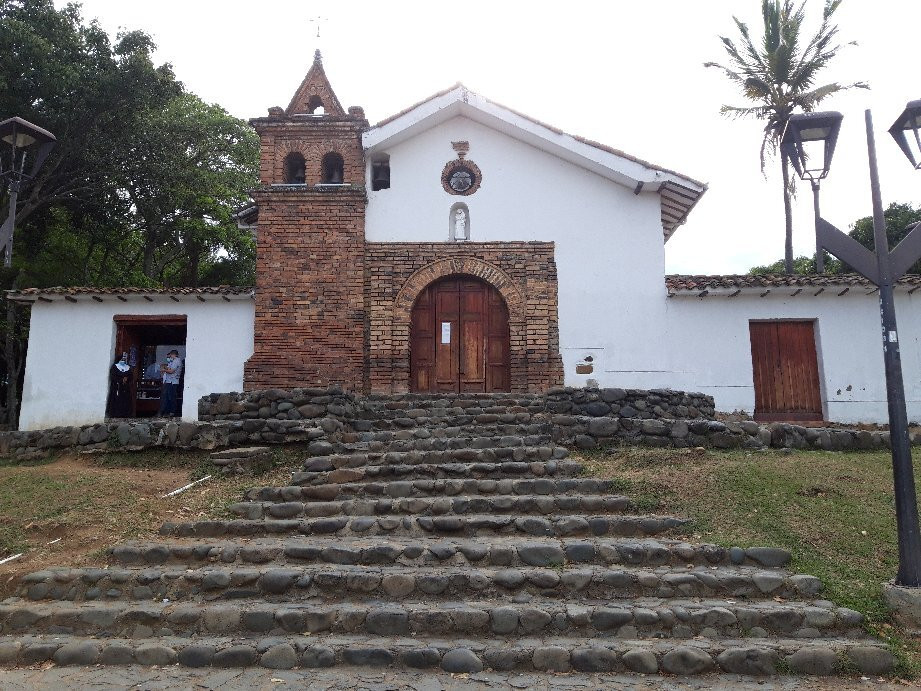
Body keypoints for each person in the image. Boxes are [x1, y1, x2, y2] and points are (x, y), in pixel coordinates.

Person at [157, 350, 183, 417]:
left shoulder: (176, 361)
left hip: (173, 381)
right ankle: (167, 411)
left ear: (173, 354)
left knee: (171, 397)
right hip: (169, 381)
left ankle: (172, 412)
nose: (170, 357)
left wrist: (164, 370)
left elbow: (171, 371)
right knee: (167, 397)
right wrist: (165, 367)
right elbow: (170, 368)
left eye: (170, 355)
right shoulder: (173, 361)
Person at [106, 353, 133, 418]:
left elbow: (131, 376)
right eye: (122, 358)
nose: (123, 359)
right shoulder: (115, 367)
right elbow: (113, 377)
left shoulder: (128, 367)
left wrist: (127, 379)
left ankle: (125, 414)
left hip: (125, 387)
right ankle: (115, 414)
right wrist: (121, 380)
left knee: (125, 400)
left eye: (124, 358)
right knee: (117, 400)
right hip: (117, 387)